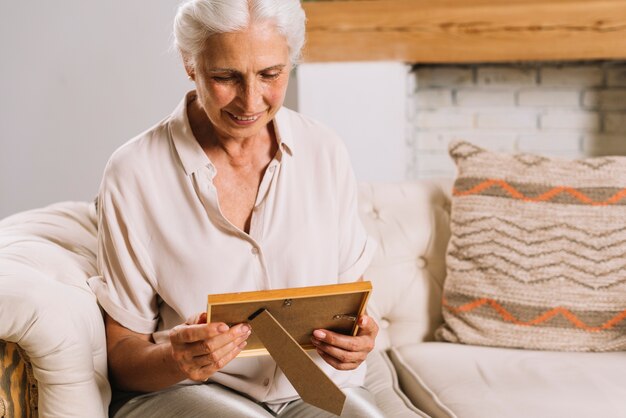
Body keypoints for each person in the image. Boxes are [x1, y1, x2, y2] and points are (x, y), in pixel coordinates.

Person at [88, 0, 383, 416]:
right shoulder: (134, 171)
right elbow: (120, 355)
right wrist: (178, 359)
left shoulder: (324, 150)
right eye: (225, 77)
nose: (250, 102)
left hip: (312, 387)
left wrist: (358, 341)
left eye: (270, 74)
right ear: (190, 65)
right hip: (191, 389)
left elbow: (353, 305)